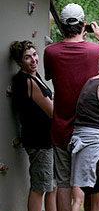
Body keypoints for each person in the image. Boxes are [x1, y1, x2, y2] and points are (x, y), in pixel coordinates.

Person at [43, 3, 99, 211]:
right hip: (92, 130)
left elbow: (51, 78)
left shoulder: (50, 52)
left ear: (61, 27)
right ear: (84, 24)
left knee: (64, 183)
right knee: (93, 185)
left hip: (61, 129)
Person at [10, 40, 57, 211]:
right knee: (39, 187)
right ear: (19, 61)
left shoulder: (34, 76)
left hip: (46, 141)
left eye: (35, 55)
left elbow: (50, 98)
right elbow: (52, 111)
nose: (33, 60)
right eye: (27, 57)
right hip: (39, 142)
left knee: (51, 185)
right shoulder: (27, 81)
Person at [69, 52, 99, 211]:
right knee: (98, 202)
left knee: (89, 197)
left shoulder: (91, 81)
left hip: (82, 146)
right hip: (93, 148)